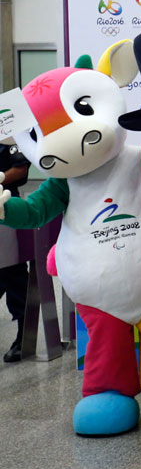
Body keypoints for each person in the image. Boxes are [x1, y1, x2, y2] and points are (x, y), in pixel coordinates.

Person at [0, 142, 30, 362]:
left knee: (13, 273)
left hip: (6, 210)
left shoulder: (7, 134)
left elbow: (20, 169)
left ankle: (24, 338)